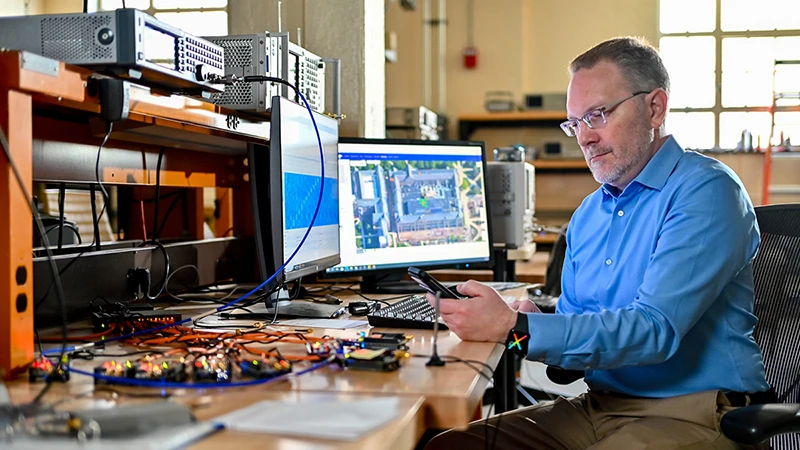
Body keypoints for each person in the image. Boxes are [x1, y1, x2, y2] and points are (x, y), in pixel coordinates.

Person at [425, 36, 772, 450]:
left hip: (697, 414)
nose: (584, 138)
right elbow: (570, 359)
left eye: (598, 115)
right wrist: (521, 329)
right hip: (599, 408)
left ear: (655, 107)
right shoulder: (589, 214)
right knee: (448, 446)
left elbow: (653, 331)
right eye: (575, 123)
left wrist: (518, 326)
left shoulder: (706, 191)